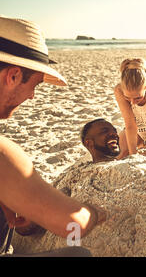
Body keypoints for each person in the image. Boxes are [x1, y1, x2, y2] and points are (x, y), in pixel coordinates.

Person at [0, 15, 105, 256]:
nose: (32, 97)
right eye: (34, 85)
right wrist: (95, 212)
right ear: (13, 76)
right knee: (79, 254)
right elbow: (72, 224)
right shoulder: (3, 153)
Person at [81, 116, 146, 164]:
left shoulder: (134, 162)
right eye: (104, 131)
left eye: (114, 130)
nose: (114, 133)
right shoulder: (79, 174)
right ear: (89, 142)